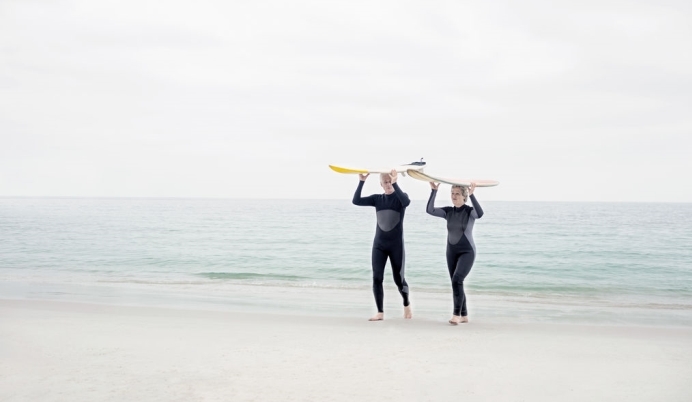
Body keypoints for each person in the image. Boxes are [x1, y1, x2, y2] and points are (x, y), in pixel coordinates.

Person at [352, 169, 412, 321]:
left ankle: (406, 304)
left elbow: (406, 203)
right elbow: (356, 200)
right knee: (377, 278)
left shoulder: (400, 198)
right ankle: (380, 312)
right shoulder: (377, 199)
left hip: (396, 246)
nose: (388, 184)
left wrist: (395, 182)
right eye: (385, 182)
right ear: (381, 184)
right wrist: (361, 181)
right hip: (379, 245)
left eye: (390, 180)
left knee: (399, 280)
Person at [426, 182, 483, 325]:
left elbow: (480, 214)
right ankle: (464, 315)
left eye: (457, 193)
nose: (454, 196)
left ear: (464, 196)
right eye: (452, 193)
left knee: (457, 280)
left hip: (467, 251)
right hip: (451, 252)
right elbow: (430, 210)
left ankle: (456, 315)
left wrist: (473, 194)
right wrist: (434, 190)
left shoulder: (470, 212)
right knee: (455, 283)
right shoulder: (448, 212)